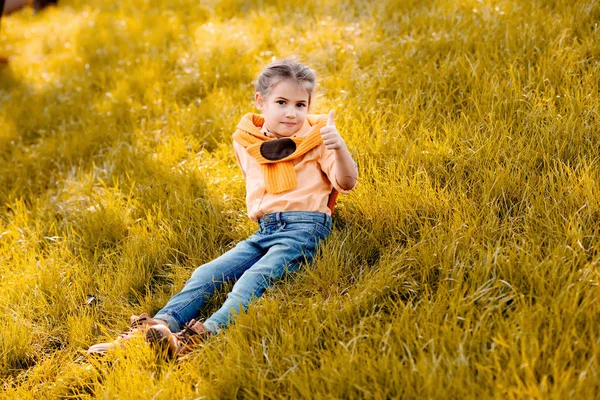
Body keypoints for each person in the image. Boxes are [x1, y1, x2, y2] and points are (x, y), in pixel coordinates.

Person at [87, 58, 359, 357]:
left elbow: (345, 182)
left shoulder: (318, 137)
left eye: (300, 105)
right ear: (261, 101)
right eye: (281, 102)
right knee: (206, 274)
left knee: (252, 280)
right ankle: (154, 329)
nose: (291, 112)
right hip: (266, 228)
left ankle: (193, 339)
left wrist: (338, 147)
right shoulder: (246, 141)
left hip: (304, 227)